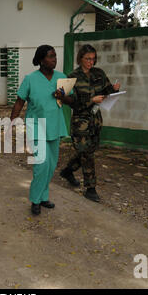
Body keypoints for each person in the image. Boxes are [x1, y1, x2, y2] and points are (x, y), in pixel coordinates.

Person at [10, 45, 73, 215]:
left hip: (55, 126)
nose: (54, 59)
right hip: (36, 126)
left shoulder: (62, 78)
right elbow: (19, 102)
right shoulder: (30, 79)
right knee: (41, 164)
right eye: (50, 56)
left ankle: (44, 197)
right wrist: (12, 121)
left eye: (55, 56)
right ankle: (35, 200)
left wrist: (63, 97)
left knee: (51, 165)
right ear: (40, 59)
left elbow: (71, 101)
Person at [59, 44, 120, 202]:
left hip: (95, 121)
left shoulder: (99, 73)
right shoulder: (72, 77)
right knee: (87, 154)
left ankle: (67, 171)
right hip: (81, 123)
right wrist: (91, 100)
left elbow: (106, 91)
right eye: (87, 59)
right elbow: (67, 101)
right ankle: (90, 188)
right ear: (80, 58)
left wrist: (113, 90)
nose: (90, 62)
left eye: (93, 59)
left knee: (86, 151)